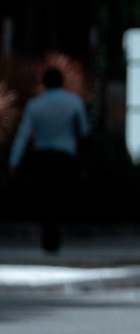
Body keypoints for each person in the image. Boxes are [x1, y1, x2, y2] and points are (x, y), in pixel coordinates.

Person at [8, 66, 89, 253]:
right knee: (59, 196)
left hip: (42, 157)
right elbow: (84, 130)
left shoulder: (35, 105)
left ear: (44, 83)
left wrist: (14, 160)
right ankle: (55, 234)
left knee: (45, 196)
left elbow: (23, 135)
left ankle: (49, 236)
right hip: (65, 156)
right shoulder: (74, 103)